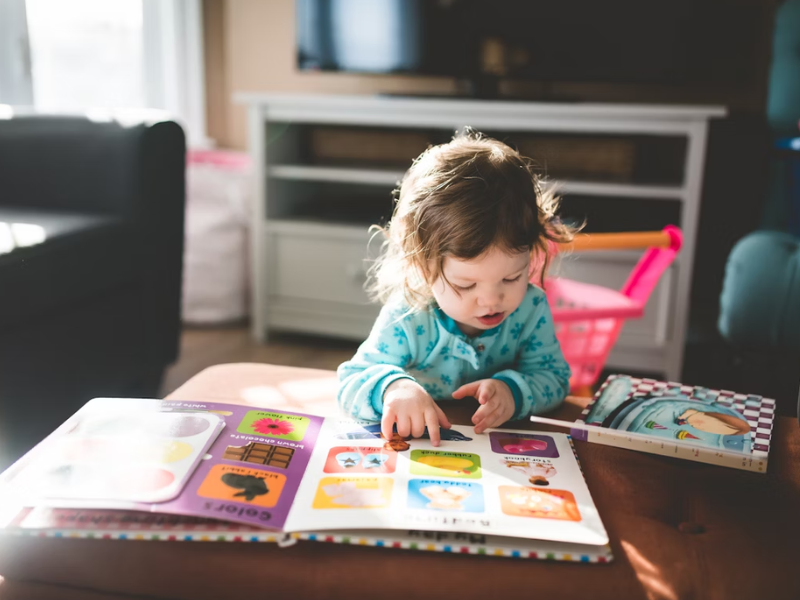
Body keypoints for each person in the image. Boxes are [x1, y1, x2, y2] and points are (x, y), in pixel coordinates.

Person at [337, 131, 573, 446]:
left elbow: (554, 379)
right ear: (422, 267)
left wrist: (513, 392)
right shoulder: (408, 315)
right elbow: (351, 381)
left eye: (512, 278)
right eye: (466, 284)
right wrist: (394, 388)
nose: (492, 299)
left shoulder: (530, 310)